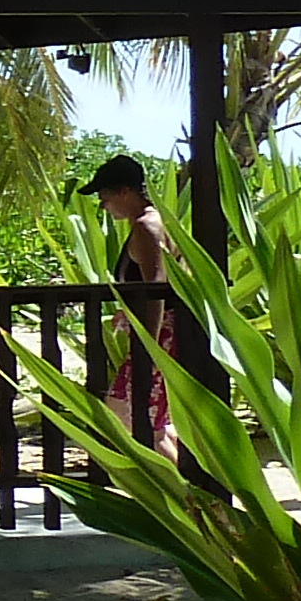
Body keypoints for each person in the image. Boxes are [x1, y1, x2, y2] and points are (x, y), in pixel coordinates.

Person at [84, 154, 176, 441]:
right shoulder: (157, 222)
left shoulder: (145, 228)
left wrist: (147, 350)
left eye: (106, 196)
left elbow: (155, 289)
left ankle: (177, 486)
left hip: (161, 337)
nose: (103, 205)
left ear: (125, 192)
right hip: (167, 335)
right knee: (151, 418)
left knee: (133, 416)